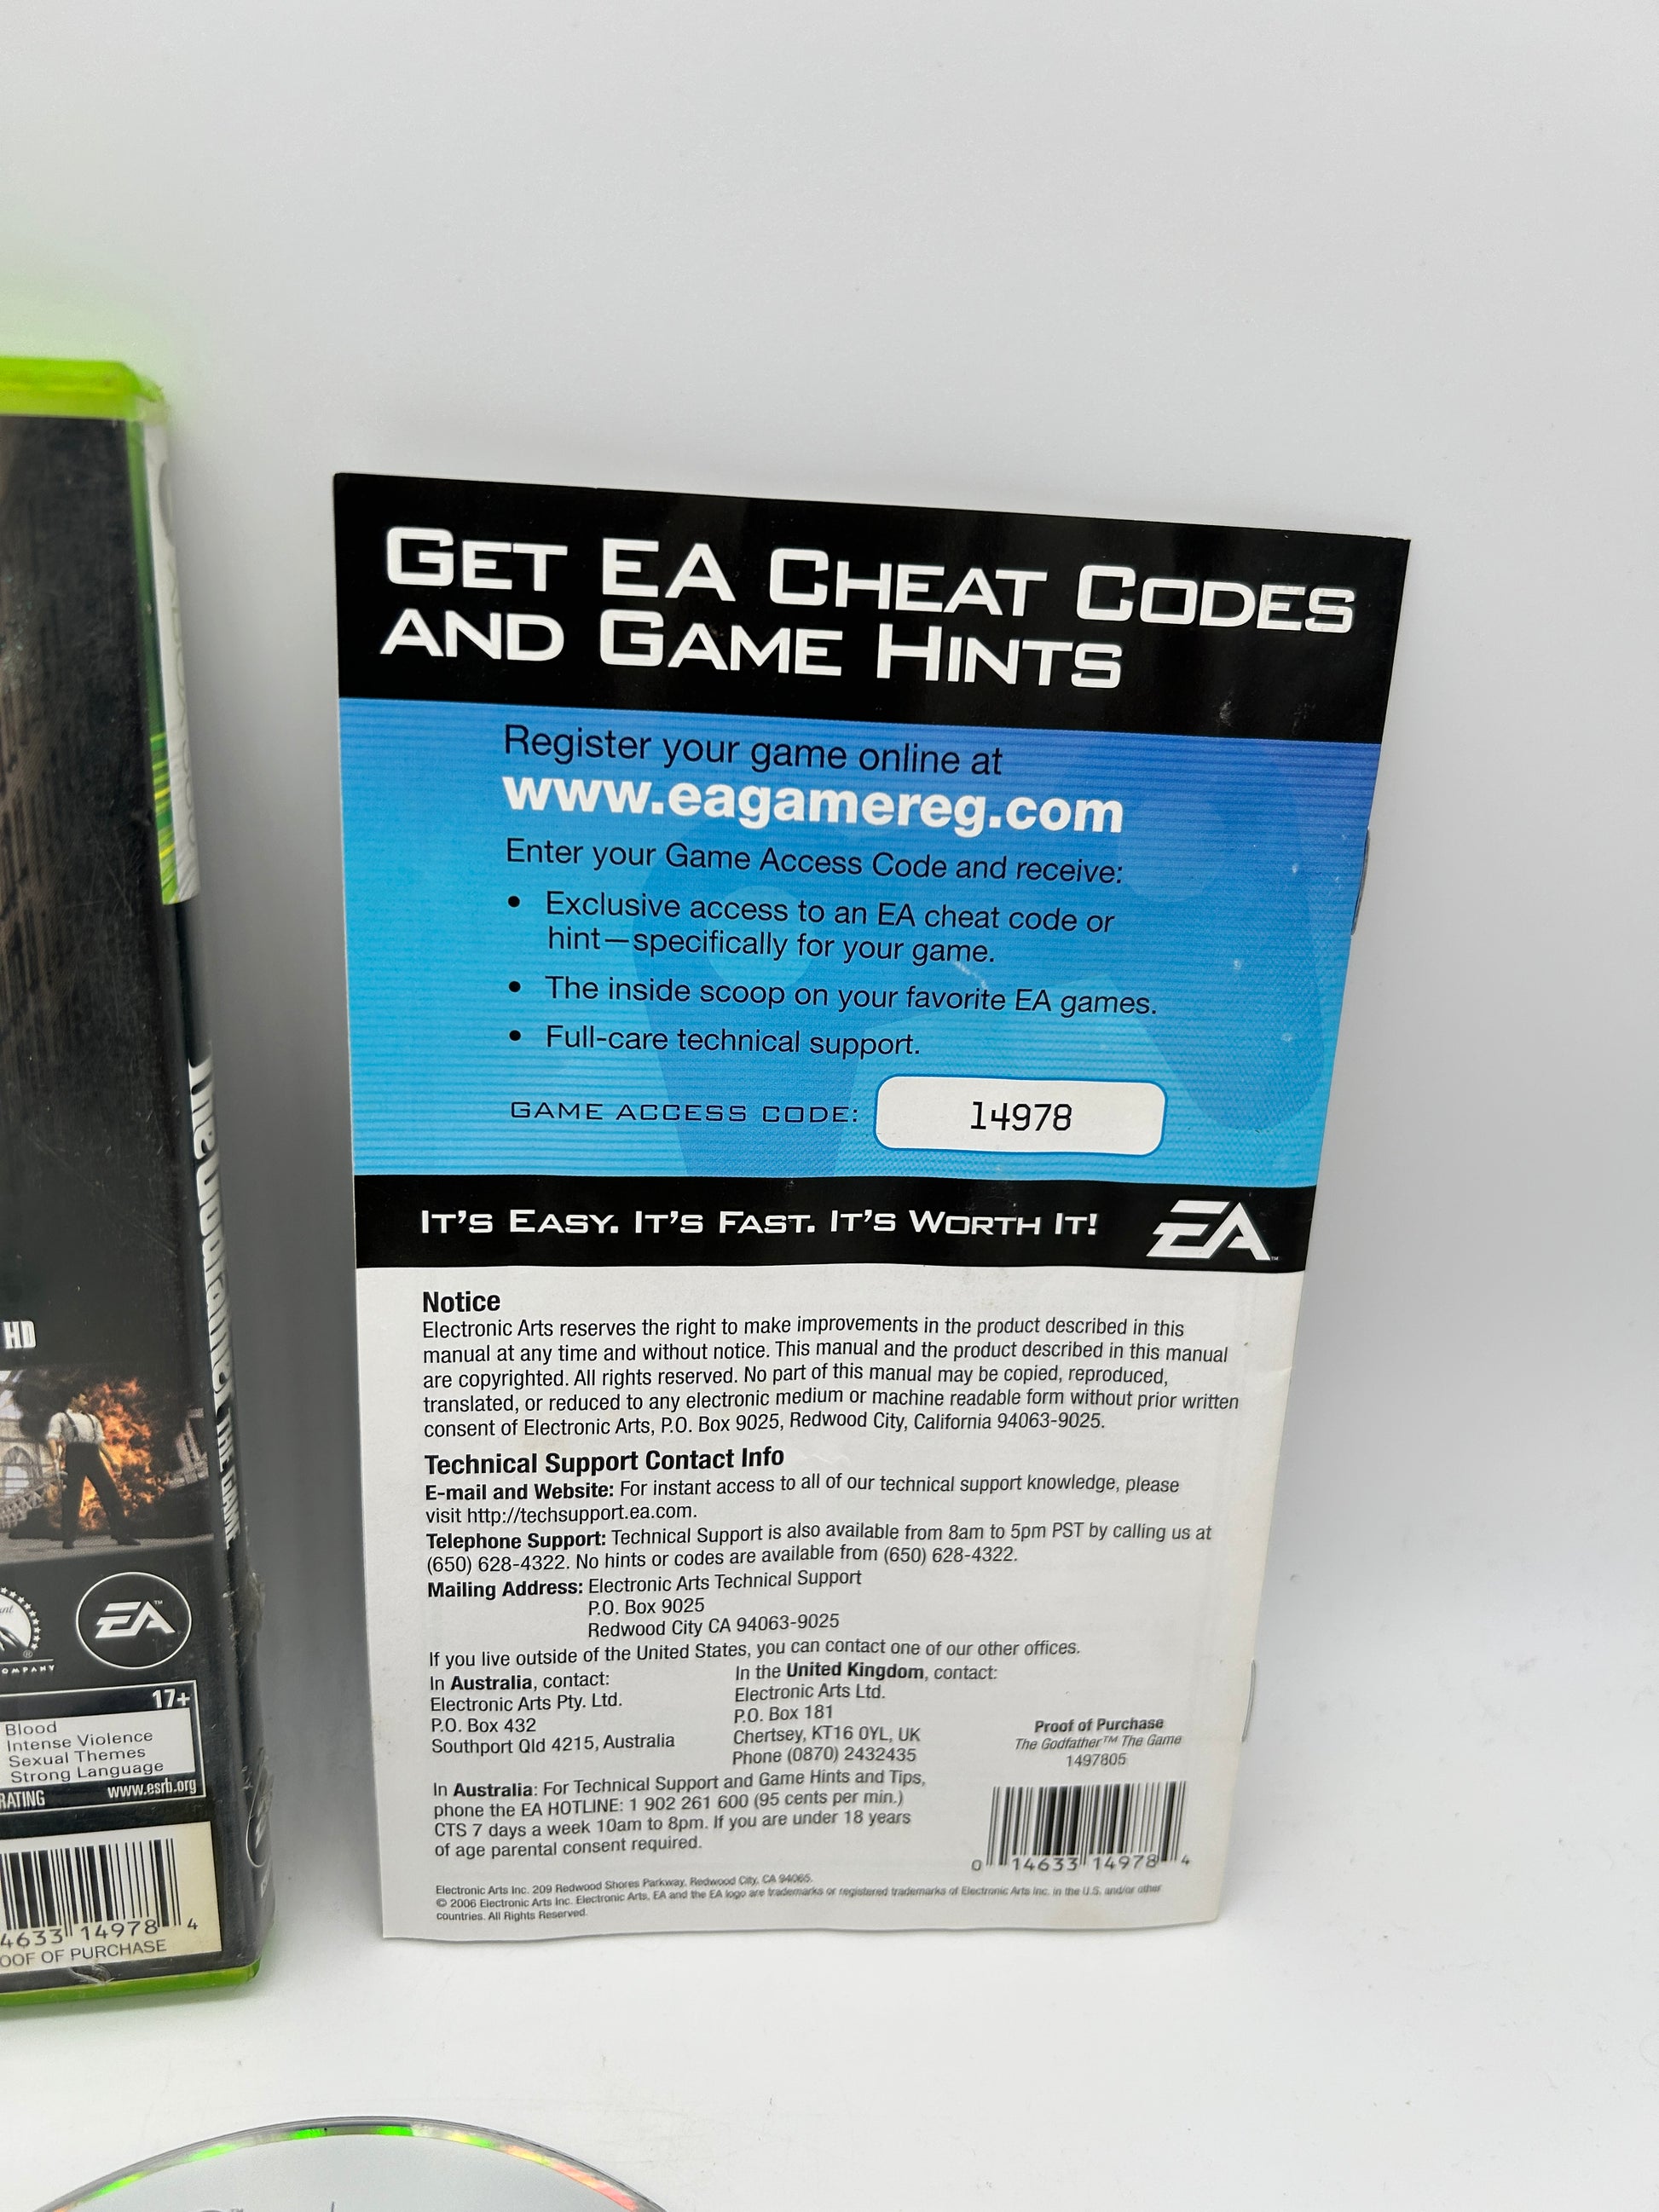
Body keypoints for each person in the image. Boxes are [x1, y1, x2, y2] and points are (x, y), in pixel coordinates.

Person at [47, 1391, 139, 1549]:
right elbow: (52, 1439)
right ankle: (68, 1538)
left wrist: (112, 1460)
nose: (86, 1402)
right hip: (74, 1455)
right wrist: (55, 1462)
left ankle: (122, 1535)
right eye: (83, 1399)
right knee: (72, 1498)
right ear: (74, 1399)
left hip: (93, 1456)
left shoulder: (92, 1419)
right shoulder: (60, 1417)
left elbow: (100, 1442)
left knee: (110, 1493)